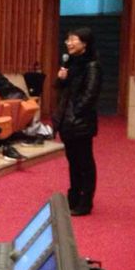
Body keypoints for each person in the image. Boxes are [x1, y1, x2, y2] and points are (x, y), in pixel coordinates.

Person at [52, 27, 102, 217]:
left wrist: (76, 114)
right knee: (73, 161)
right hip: (67, 122)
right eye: (68, 40)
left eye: (74, 40)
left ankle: (85, 201)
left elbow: (90, 95)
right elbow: (61, 89)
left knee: (85, 162)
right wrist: (61, 78)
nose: (69, 43)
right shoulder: (70, 63)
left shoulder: (92, 66)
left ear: (85, 44)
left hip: (81, 123)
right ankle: (73, 196)